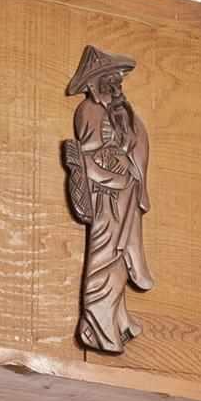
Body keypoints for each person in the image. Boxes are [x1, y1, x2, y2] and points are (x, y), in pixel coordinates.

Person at [60, 44, 149, 355]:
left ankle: (117, 319)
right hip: (106, 198)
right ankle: (97, 326)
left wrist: (129, 160)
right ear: (95, 84)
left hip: (121, 196)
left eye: (118, 82)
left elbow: (130, 148)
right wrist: (117, 174)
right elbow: (89, 158)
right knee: (104, 261)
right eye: (110, 81)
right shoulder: (89, 111)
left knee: (118, 262)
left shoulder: (119, 114)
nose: (116, 87)